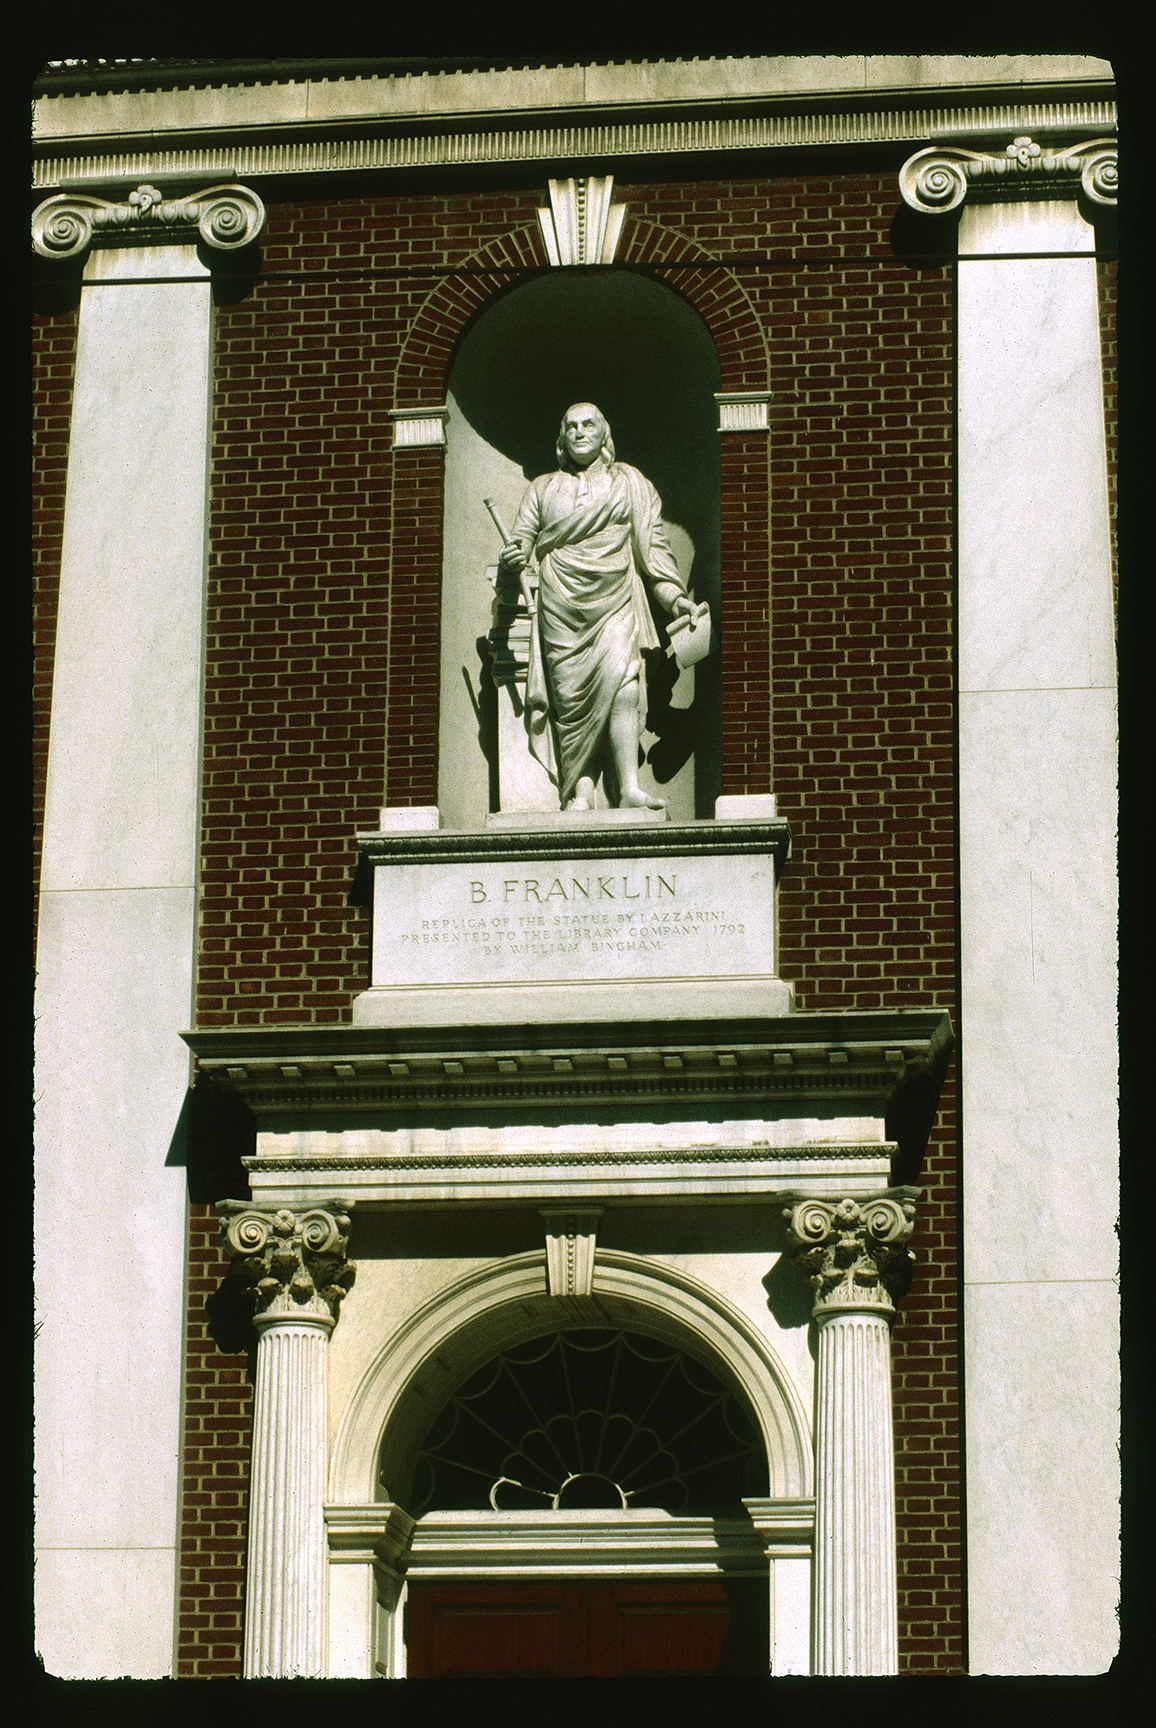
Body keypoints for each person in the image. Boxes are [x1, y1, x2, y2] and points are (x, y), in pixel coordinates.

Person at [498, 403, 697, 810]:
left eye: (588, 424)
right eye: (570, 426)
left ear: (604, 432)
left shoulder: (630, 484)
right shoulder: (542, 488)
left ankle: (628, 787)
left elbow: (652, 552)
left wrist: (676, 600)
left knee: (624, 684)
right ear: (562, 437)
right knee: (570, 700)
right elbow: (519, 543)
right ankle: (580, 790)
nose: (578, 432)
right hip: (560, 606)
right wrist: (512, 560)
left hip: (616, 598)